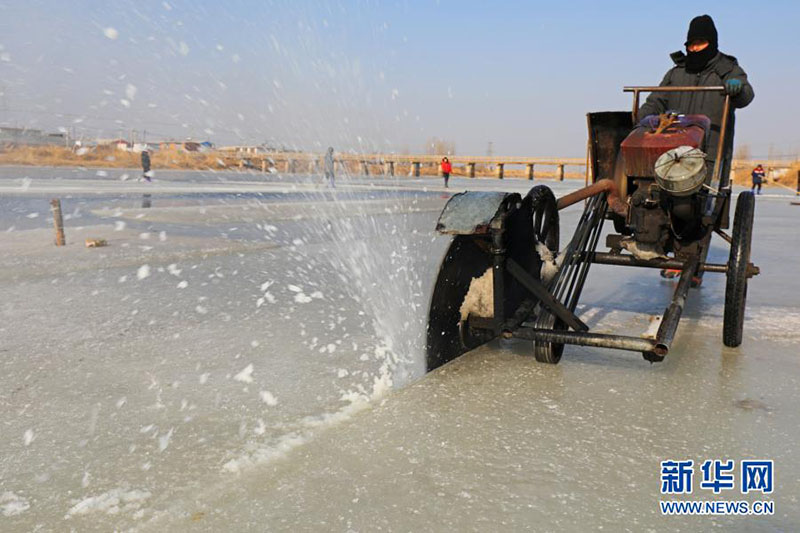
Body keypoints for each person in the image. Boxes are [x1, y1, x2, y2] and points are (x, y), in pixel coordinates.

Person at [642, 15, 754, 286]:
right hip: (673, 148)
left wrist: (737, 91)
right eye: (691, 44)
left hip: (709, 148)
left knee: (698, 205)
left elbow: (746, 95)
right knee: (664, 196)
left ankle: (692, 264)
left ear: (712, 42)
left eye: (700, 43)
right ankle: (663, 248)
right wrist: (646, 116)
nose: (694, 49)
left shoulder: (728, 69)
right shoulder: (676, 73)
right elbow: (655, 100)